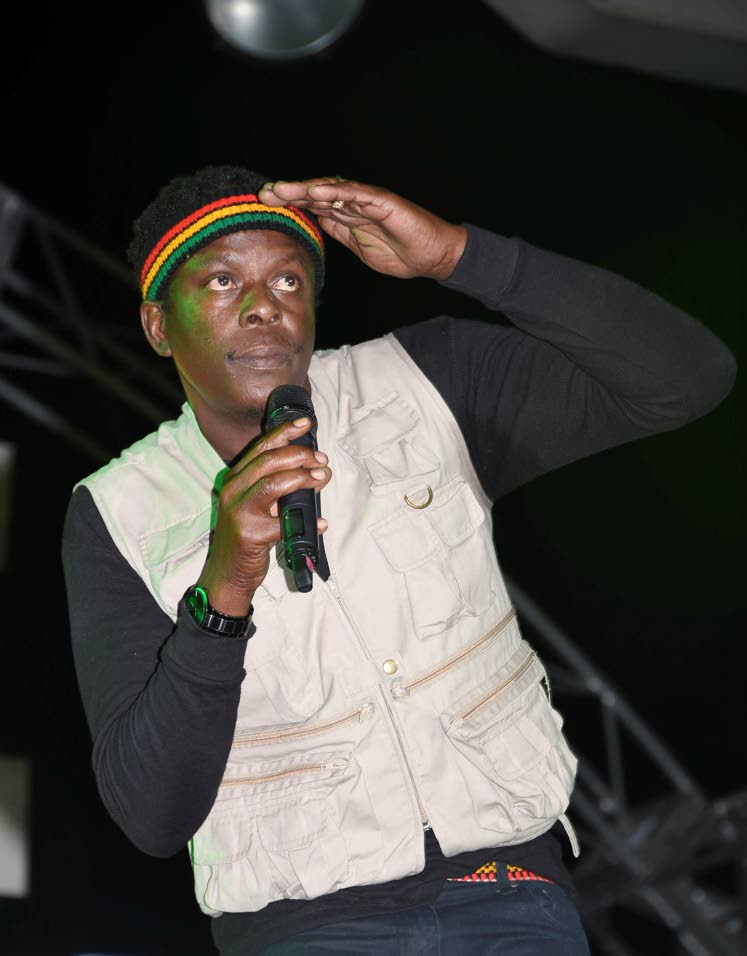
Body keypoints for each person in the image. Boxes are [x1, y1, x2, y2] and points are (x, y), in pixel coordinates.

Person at [61, 164, 736, 956]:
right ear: (157, 326)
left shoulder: (424, 381)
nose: (263, 304)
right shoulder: (117, 511)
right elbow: (151, 814)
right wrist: (226, 585)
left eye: (287, 279)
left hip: (510, 892)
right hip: (307, 927)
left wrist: (459, 255)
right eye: (221, 281)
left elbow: (685, 380)